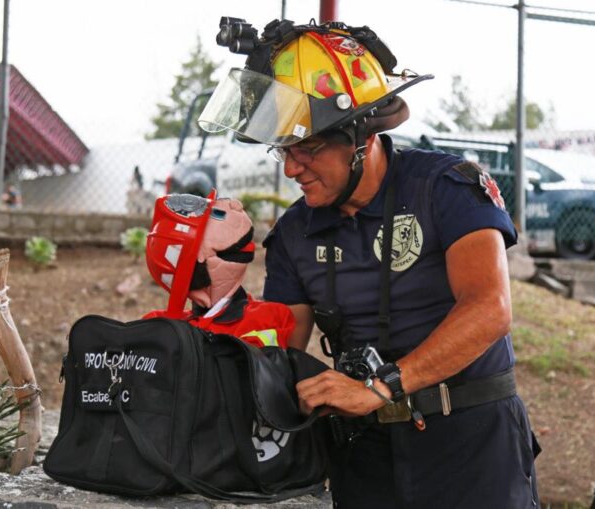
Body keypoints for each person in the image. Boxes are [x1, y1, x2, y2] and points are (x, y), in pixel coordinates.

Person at [199, 18, 540, 508]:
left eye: (307, 148)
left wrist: (383, 386)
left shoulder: (445, 188)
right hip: (364, 455)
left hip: (473, 446)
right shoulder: (295, 232)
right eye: (283, 151)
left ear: (362, 136)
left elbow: (489, 309)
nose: (291, 168)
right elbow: (279, 349)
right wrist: (214, 308)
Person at [144, 191, 294, 349]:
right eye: (214, 215)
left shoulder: (268, 317)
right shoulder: (156, 328)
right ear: (196, 260)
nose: (236, 204)